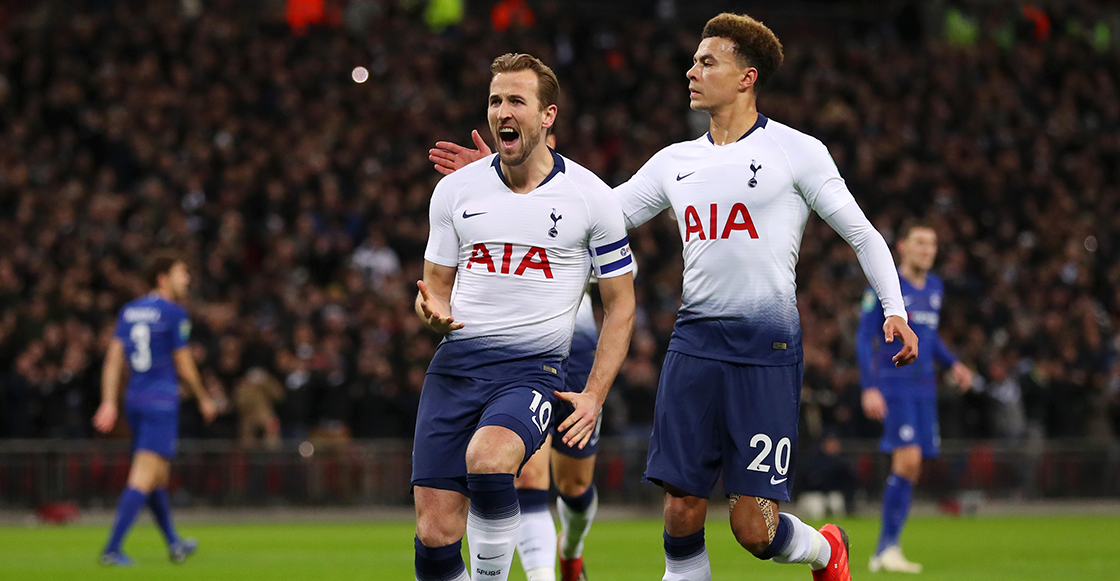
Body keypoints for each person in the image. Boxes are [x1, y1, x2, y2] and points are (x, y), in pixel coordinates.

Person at [431, 13, 919, 581]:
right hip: (693, 348)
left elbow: (862, 233)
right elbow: (587, 214)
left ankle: (826, 550)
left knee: (752, 528)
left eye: (707, 61)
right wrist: (499, 177)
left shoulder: (797, 152)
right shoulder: (674, 162)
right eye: (693, 60)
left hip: (766, 349)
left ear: (746, 77)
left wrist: (895, 310)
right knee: (681, 507)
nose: (691, 71)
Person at [411, 53, 635, 581]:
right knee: (435, 534)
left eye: (516, 100)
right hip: (455, 370)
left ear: (548, 115)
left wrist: (595, 393)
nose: (502, 110)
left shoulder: (591, 197)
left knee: (490, 459)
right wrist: (431, 312)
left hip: (530, 372)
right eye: (495, 100)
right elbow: (434, 290)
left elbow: (621, 303)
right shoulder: (454, 191)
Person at [434, 132, 603, 581]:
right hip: (528, 355)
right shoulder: (488, 187)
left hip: (578, 346)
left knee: (576, 485)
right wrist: (488, 179)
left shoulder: (585, 195)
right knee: (525, 475)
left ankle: (572, 548)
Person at [858, 219, 972, 574]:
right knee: (906, 461)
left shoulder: (935, 287)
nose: (927, 250)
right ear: (902, 247)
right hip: (895, 384)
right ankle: (885, 548)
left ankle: (888, 548)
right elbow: (865, 338)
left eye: (933, 244)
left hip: (925, 387)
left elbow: (929, 336)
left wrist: (954, 364)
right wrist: (870, 386)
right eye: (920, 242)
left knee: (914, 465)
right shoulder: (886, 286)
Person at [92, 251, 218, 566]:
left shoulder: (130, 311)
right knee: (144, 476)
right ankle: (112, 548)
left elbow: (112, 360)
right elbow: (184, 362)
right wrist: (203, 396)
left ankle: (175, 543)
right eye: (181, 273)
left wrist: (109, 401)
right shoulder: (174, 313)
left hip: (135, 399)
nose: (186, 279)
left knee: (158, 476)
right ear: (162, 277)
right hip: (161, 401)